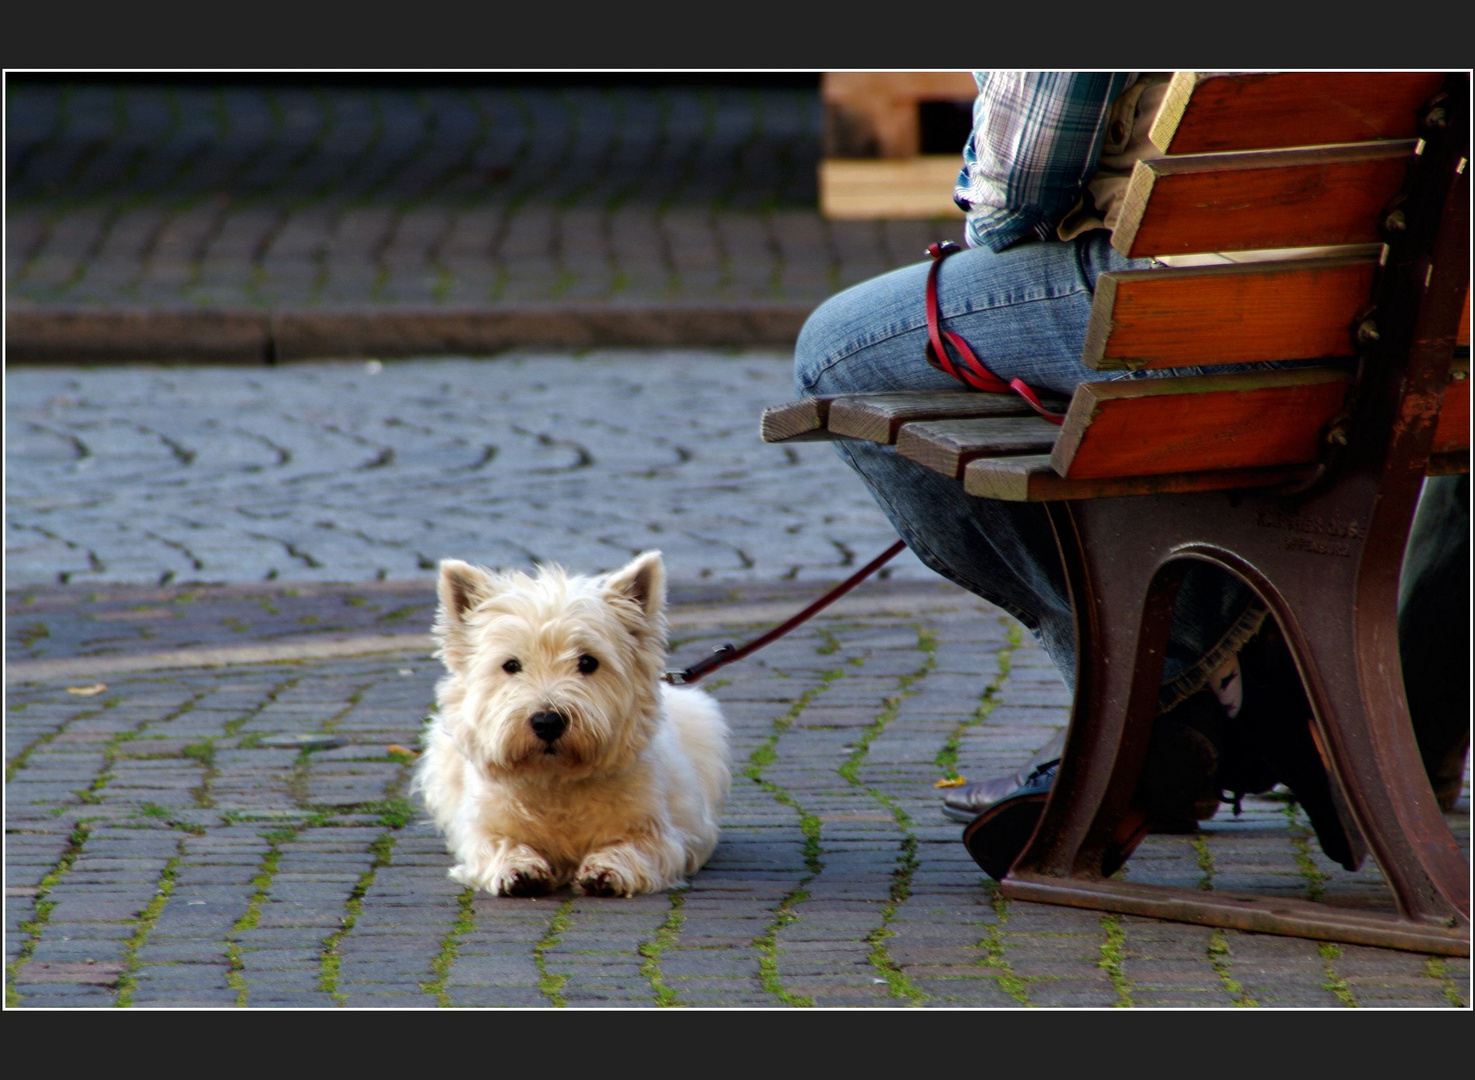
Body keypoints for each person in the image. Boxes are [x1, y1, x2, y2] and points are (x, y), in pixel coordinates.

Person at [792, 71, 1469, 871]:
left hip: (1203, 308)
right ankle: (1238, 684)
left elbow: (1020, 189)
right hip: (1421, 319)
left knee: (835, 353)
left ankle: (1165, 689)